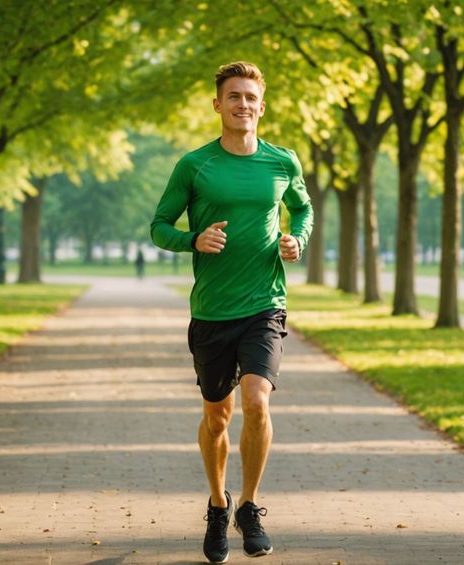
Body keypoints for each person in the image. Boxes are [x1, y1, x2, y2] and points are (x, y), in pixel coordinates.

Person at [150, 61, 313, 563]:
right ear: (218, 104)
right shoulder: (194, 165)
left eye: (251, 97)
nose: (243, 104)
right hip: (212, 310)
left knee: (258, 402)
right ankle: (218, 504)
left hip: (265, 303)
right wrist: (191, 239)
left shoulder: (282, 163)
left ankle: (249, 505)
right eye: (234, 96)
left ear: (262, 107)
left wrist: (296, 239)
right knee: (217, 417)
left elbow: (303, 210)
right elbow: (159, 226)